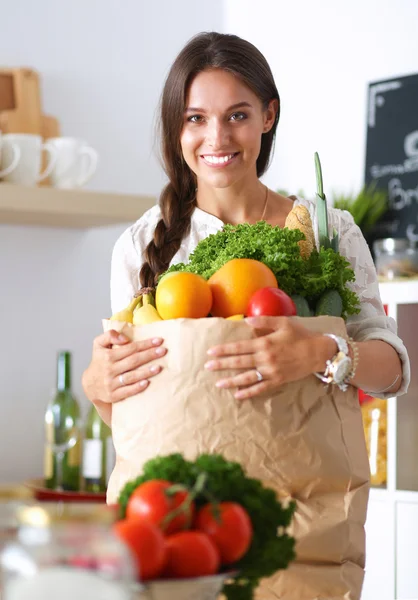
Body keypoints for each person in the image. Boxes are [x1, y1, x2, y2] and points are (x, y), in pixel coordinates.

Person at [82, 31, 409, 426]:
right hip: (184, 479)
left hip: (301, 479)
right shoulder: (139, 245)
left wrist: (319, 352)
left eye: (237, 115)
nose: (217, 138)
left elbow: (391, 373)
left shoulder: (328, 232)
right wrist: (97, 386)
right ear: (176, 126)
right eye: (195, 118)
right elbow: (128, 417)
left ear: (268, 115)